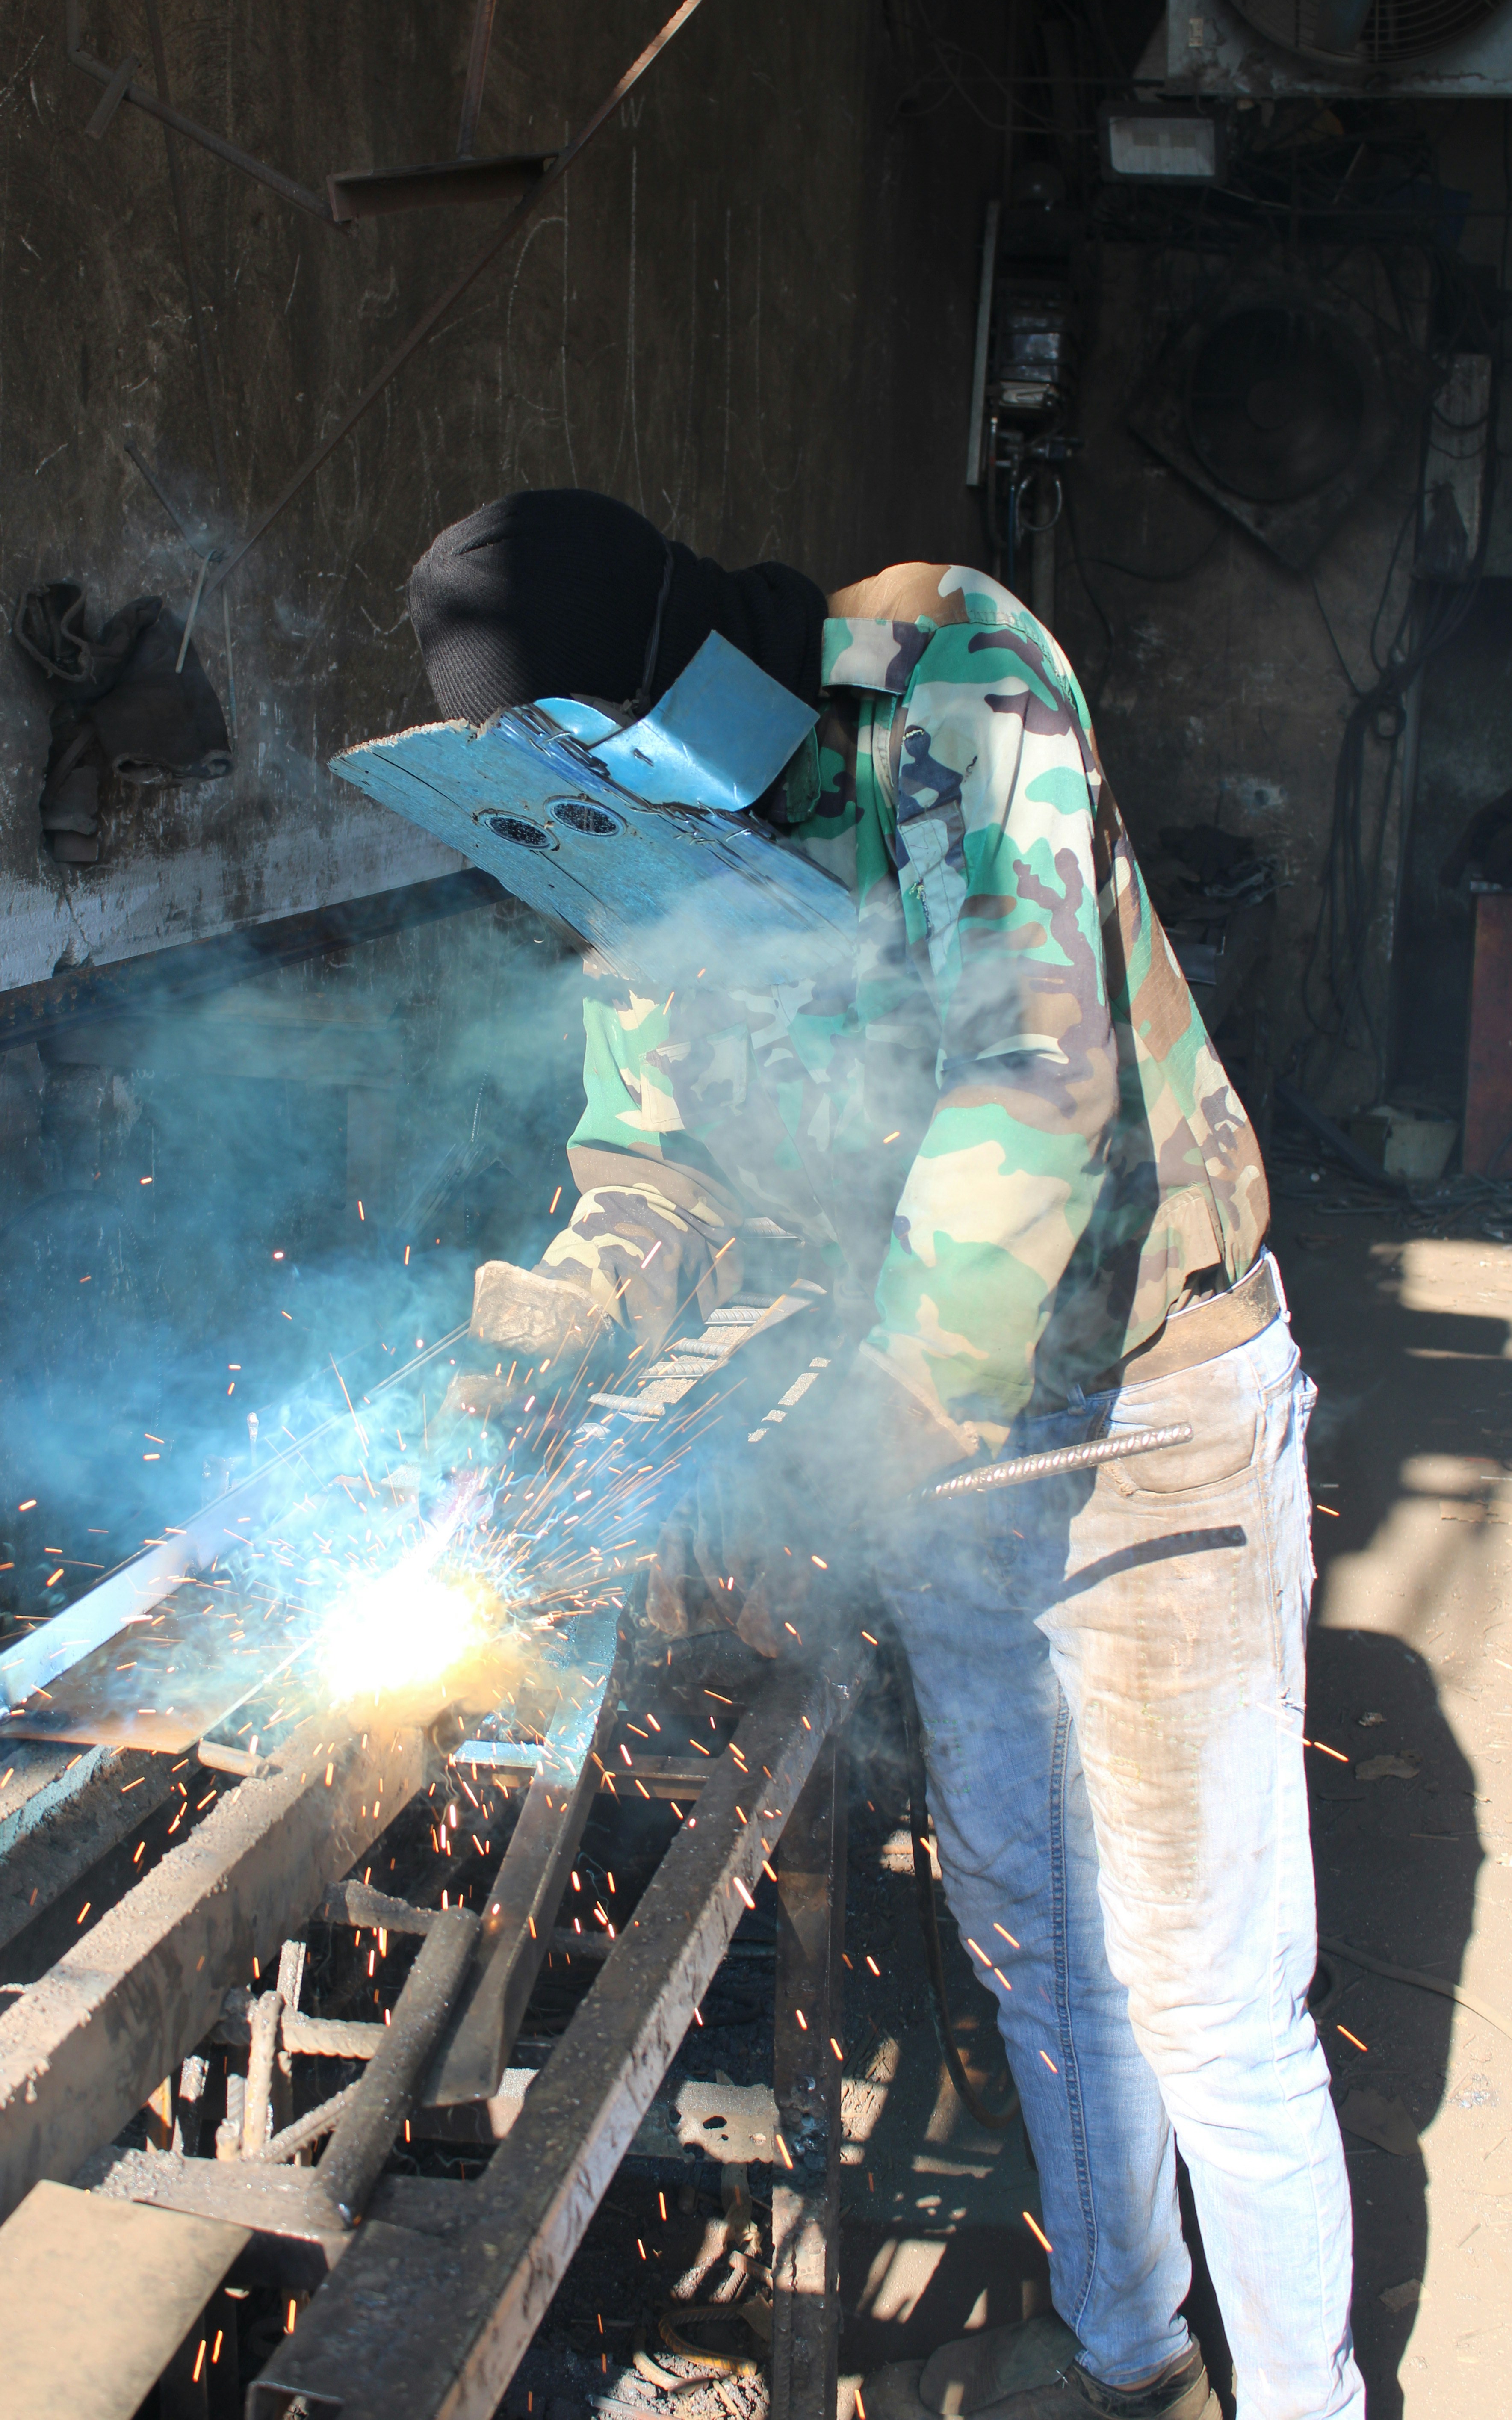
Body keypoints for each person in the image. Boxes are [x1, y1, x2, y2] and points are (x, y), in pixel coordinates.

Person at [405, 491, 1362, 2420]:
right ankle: (1130, 2359)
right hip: (935, 1448)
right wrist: (580, 1297)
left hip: (1146, 1410)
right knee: (1035, 1937)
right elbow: (652, 1158)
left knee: (1202, 1989)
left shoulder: (944, 680)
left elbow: (1034, 1067)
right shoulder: (649, 864)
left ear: (694, 684)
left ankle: (1308, 2401)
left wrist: (883, 1424)